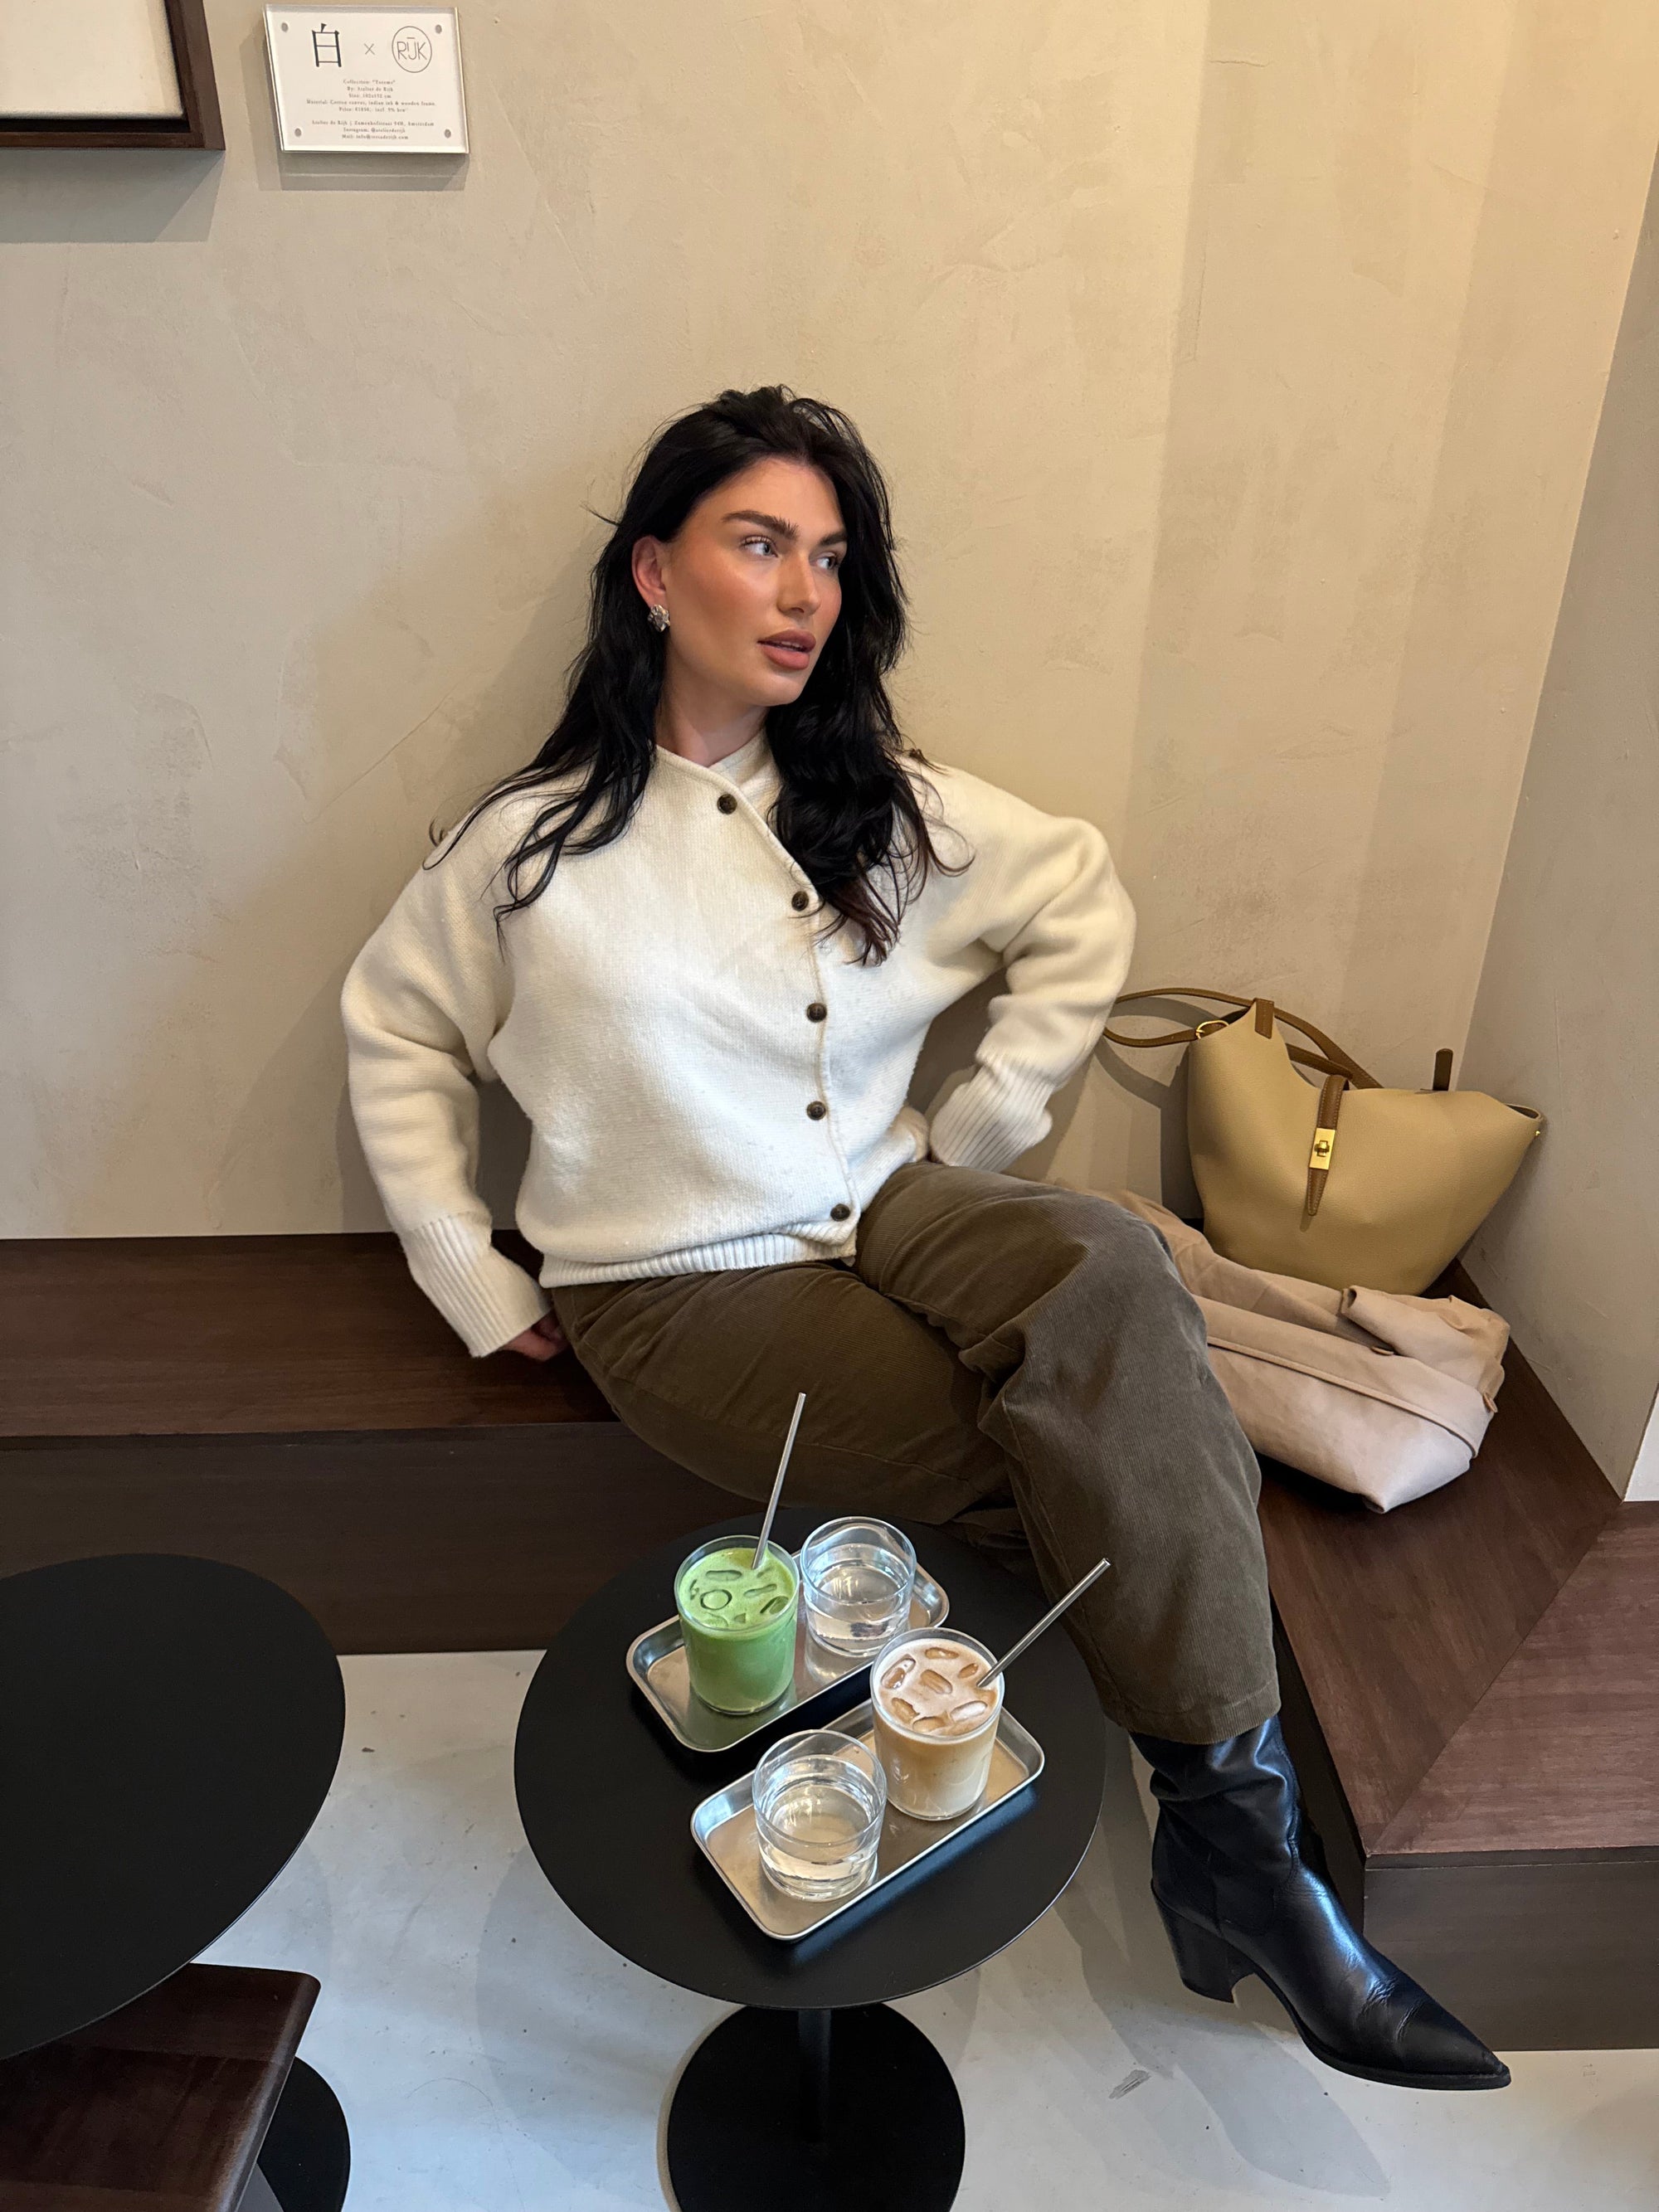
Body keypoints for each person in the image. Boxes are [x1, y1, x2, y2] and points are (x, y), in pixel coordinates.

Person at [342, 386, 1506, 2092]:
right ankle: (1241, 1857)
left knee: (1107, 1267)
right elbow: (392, 1027)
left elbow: (1080, 893)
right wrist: (466, 1261)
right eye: (760, 544)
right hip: (670, 1283)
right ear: (654, 574)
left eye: (829, 557)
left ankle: (1230, 1846)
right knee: (1052, 1441)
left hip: (888, 1198)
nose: (803, 591)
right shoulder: (532, 846)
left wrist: (984, 1128)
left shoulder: (874, 801)